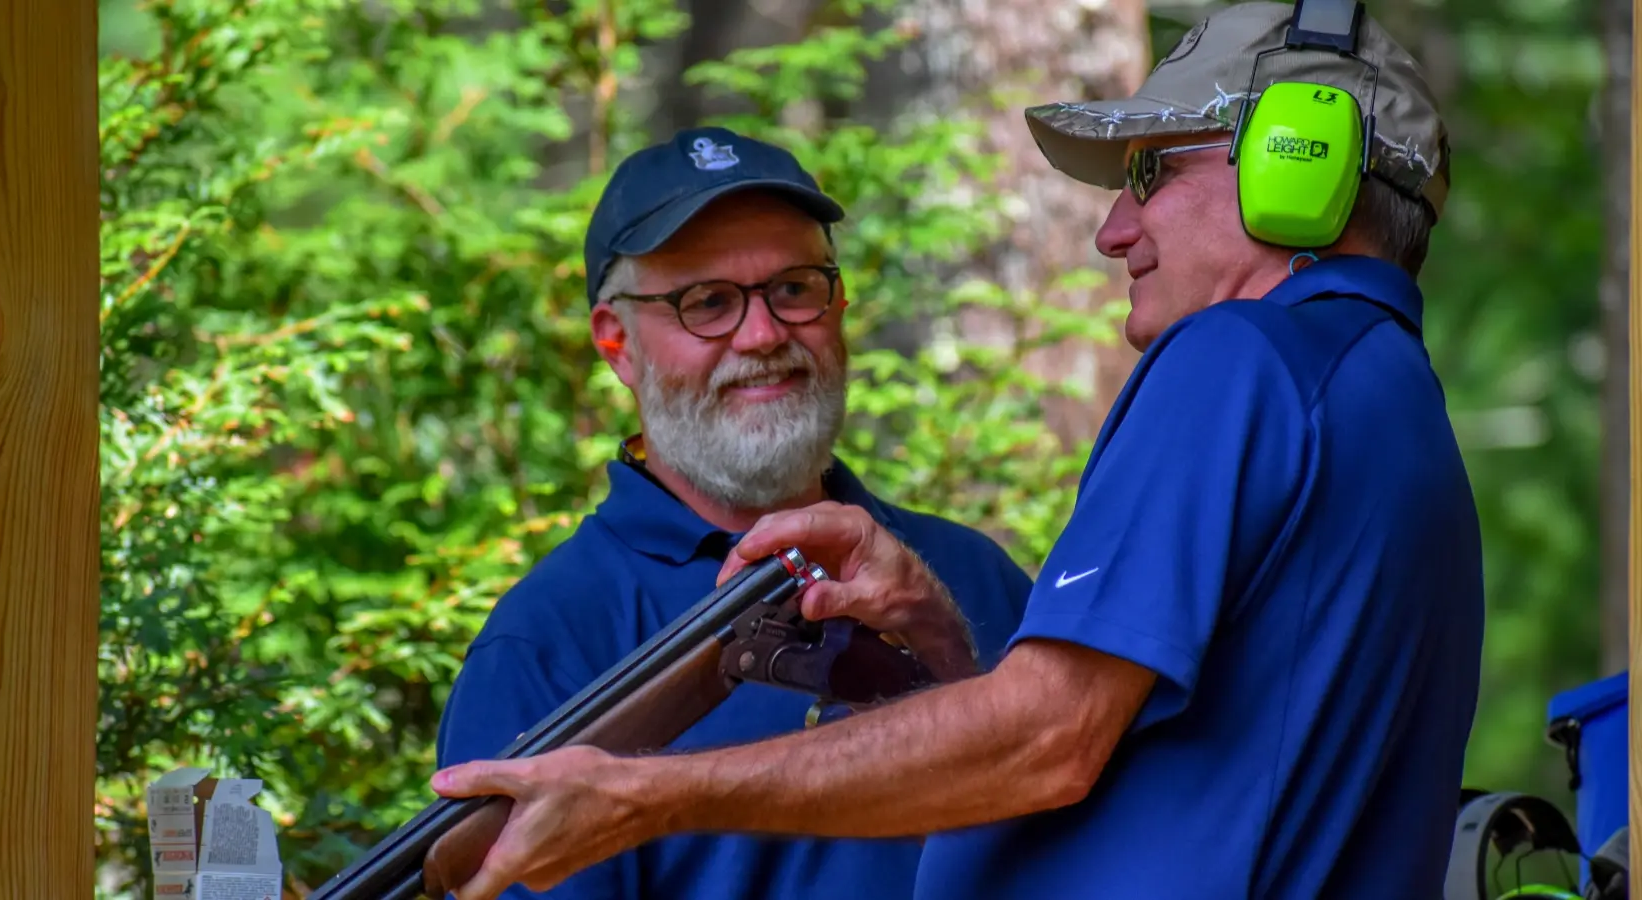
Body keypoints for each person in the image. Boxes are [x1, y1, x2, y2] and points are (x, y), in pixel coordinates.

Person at [429, 2, 1487, 898]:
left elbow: (1047, 743)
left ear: (1298, 157)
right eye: (707, 302)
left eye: (1151, 172)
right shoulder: (1387, 393)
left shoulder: (1237, 357)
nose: (1111, 230)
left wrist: (645, 795)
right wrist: (941, 650)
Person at [432, 125, 1035, 900]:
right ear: (617, 344)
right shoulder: (549, 642)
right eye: (706, 303)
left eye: (793, 289)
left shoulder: (966, 571)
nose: (763, 335)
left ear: (839, 300)